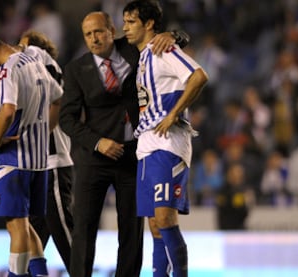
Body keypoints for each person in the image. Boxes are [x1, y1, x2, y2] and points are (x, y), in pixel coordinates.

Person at [59, 10, 189, 277]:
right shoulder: (75, 70)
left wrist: (172, 35)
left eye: (98, 32)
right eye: (87, 34)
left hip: (132, 156)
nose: (93, 39)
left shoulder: (134, 50)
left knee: (131, 231)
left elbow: (178, 44)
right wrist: (97, 142)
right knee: (83, 229)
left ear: (112, 31)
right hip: (93, 159)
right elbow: (66, 119)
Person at [122, 1, 208, 276]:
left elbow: (198, 76)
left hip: (168, 141)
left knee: (164, 218)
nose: (125, 27)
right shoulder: (144, 56)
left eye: (131, 21)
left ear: (148, 24)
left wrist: (173, 113)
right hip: (146, 144)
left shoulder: (162, 49)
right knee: (155, 225)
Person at [0, 30, 63, 277]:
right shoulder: (34, 62)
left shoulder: (7, 69)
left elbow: (8, 109)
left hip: (15, 158)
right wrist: (46, 129)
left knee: (15, 225)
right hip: (39, 161)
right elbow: (58, 97)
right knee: (25, 224)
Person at [18, 30, 73, 274]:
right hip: (40, 166)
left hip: (53, 163)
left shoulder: (37, 58)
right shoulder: (38, 77)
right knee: (34, 233)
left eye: (22, 45)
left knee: (64, 230)